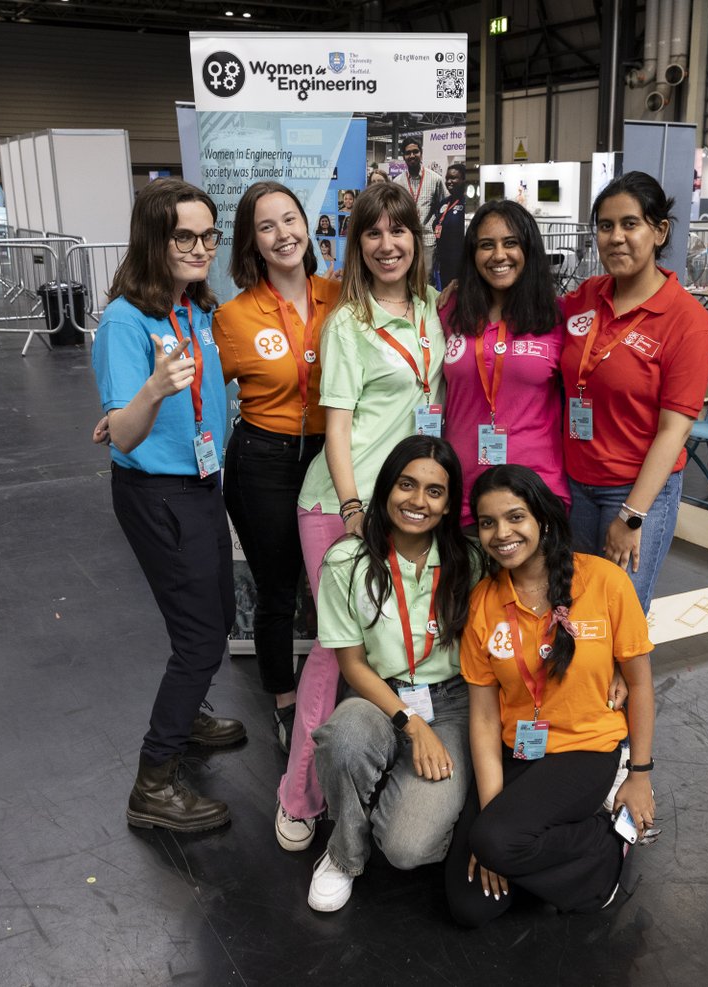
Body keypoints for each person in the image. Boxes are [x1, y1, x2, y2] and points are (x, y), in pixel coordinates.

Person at [276, 182, 446, 853]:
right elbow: (338, 428)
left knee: (383, 644)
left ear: (415, 239)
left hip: (404, 505)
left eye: (398, 230)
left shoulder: (431, 307)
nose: (386, 244)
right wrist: (353, 509)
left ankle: (379, 771)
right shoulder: (348, 322)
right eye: (372, 233)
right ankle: (298, 796)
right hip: (339, 505)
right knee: (331, 652)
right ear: (357, 245)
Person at [90, 177, 245, 833]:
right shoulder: (125, 321)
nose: (201, 248)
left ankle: (188, 717)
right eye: (185, 236)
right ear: (154, 239)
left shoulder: (193, 307)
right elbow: (125, 435)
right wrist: (151, 391)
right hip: (159, 494)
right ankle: (153, 782)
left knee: (219, 615)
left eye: (209, 235)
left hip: (200, 482)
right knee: (201, 636)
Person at [445, 464, 655, 927]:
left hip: (586, 749)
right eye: (488, 522)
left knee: (499, 843)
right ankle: (536, 850)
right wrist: (493, 823)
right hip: (518, 750)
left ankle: (605, 847)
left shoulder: (603, 581)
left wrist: (640, 774)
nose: (502, 533)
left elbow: (640, 683)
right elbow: (484, 718)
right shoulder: (483, 602)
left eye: (515, 517)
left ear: (542, 518)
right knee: (470, 905)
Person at [308, 435, 477, 911]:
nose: (418, 501)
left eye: (434, 491)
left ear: (449, 505)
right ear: (385, 489)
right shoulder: (346, 560)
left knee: (407, 849)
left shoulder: (471, 561)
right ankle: (344, 852)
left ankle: (398, 793)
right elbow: (352, 664)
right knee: (343, 741)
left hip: (453, 703)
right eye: (407, 484)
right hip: (378, 696)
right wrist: (412, 724)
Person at [212, 180, 341, 753]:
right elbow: (198, 392)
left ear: (306, 225)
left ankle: (348, 691)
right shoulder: (234, 317)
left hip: (332, 455)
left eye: (290, 219)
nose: (283, 234)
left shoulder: (341, 297)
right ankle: (285, 703)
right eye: (267, 226)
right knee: (278, 588)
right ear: (252, 242)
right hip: (264, 460)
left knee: (340, 582)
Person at [561, 171, 708, 613]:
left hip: (634, 492)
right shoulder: (585, 297)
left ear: (659, 231)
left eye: (630, 224)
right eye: (605, 226)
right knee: (574, 611)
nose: (616, 237)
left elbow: (675, 431)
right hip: (575, 486)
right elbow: (524, 313)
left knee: (618, 617)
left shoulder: (687, 321)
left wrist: (631, 516)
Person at [442, 199, 569, 527]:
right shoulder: (449, 310)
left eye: (510, 243)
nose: (499, 255)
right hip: (462, 492)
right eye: (486, 245)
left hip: (534, 495)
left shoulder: (558, 316)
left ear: (529, 249)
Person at [393, 136, 444, 273]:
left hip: (427, 239)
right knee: (405, 275)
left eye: (415, 151)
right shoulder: (397, 183)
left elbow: (444, 208)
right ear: (403, 157)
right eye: (408, 153)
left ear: (421, 153)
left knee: (426, 278)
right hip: (404, 239)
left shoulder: (435, 180)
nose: (412, 155)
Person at [428, 162, 466, 289]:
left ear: (464, 180)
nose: (449, 182)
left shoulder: (466, 203)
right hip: (443, 261)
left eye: (453, 178)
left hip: (460, 262)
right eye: (447, 178)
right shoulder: (444, 203)